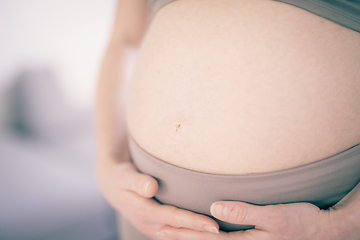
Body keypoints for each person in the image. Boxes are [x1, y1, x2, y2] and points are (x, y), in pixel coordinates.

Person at [96, 0, 360, 239]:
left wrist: (342, 223)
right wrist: (107, 164)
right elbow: (127, 38)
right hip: (148, 215)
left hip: (317, 215)